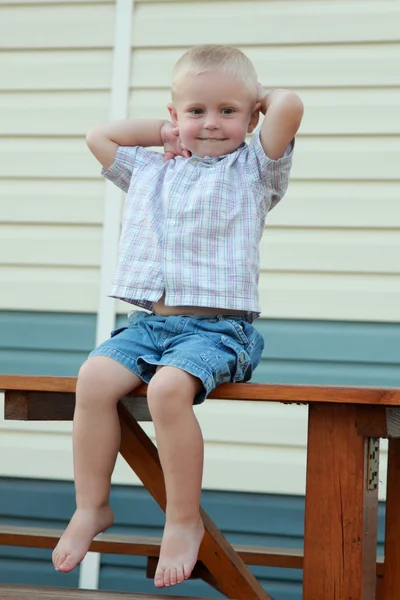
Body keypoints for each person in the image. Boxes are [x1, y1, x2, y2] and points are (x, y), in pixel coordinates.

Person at [52, 44, 303, 588]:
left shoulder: (253, 167)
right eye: (196, 112)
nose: (211, 123)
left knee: (168, 392)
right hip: (149, 327)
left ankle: (182, 520)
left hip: (220, 330)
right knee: (93, 378)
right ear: (174, 117)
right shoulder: (150, 167)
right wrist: (164, 134)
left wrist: (256, 99)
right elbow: (101, 135)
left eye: (227, 111)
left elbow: (290, 105)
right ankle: (91, 506)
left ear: (251, 115)